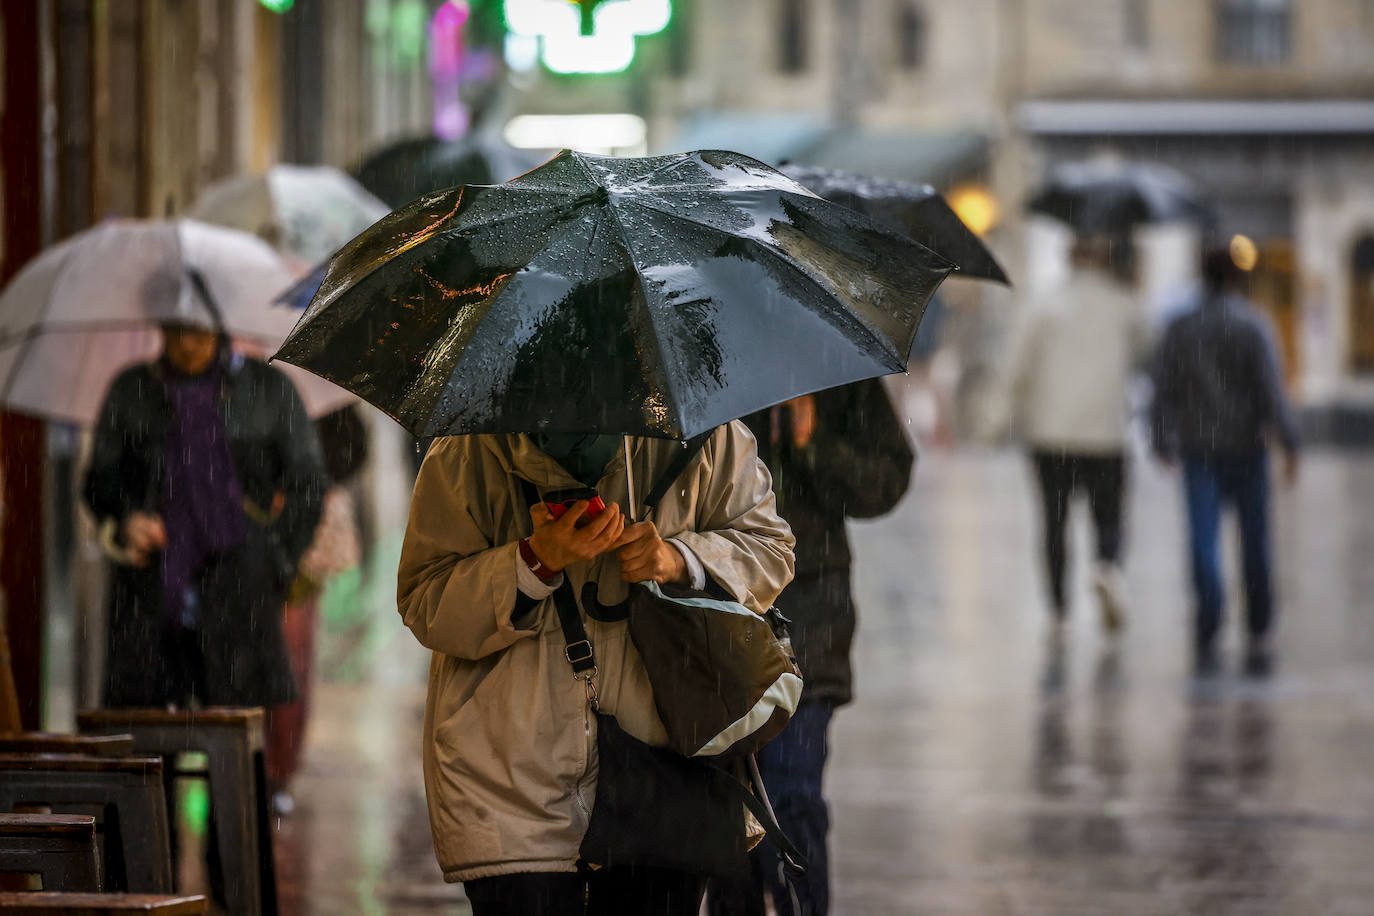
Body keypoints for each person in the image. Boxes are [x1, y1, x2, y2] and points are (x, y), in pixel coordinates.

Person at [397, 425, 795, 916]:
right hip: (509, 779)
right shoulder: (468, 448)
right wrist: (534, 561)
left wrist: (678, 558)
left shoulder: (708, 436)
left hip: (663, 775)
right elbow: (426, 600)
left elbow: (770, 550)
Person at [707, 379, 914, 916]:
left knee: (792, 798)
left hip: (811, 618)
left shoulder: (828, 368)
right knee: (724, 814)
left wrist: (813, 440)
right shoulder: (702, 351)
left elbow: (885, 480)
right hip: (711, 616)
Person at [84, 322, 327, 709]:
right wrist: (128, 519)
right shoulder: (132, 390)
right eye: (176, 332)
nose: (186, 346)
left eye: (198, 333)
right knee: (146, 735)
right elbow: (99, 480)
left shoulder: (266, 389)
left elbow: (309, 484)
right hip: (150, 587)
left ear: (220, 327)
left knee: (236, 737)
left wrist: (276, 560)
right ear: (161, 328)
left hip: (241, 589)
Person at [984, 235, 1150, 632]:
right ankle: (1108, 568)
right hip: (1106, 432)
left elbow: (1015, 367)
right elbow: (1145, 351)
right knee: (1108, 516)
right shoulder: (1124, 303)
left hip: (1051, 434)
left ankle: (1059, 610)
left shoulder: (1043, 303)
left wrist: (995, 418)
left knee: (1054, 522)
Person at [1150, 246, 1300, 673]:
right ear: (1236, 278)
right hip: (1246, 448)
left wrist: (1162, 440)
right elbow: (1272, 389)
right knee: (1254, 539)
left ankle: (1209, 618)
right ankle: (1259, 619)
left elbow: (1163, 388)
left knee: (1203, 539)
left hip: (1200, 449)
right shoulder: (1253, 324)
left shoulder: (1180, 327)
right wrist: (1289, 443)